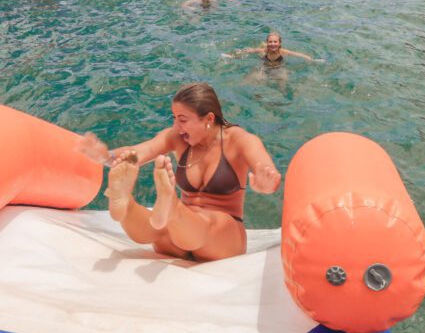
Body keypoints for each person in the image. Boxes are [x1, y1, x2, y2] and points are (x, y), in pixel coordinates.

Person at [83, 82, 281, 261]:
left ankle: (170, 206)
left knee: (203, 223)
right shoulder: (177, 138)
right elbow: (141, 152)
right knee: (158, 228)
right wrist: (107, 156)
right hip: (181, 232)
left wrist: (266, 184)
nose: (176, 127)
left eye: (183, 120)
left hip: (222, 236)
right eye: (174, 118)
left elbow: (267, 171)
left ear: (209, 119)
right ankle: (125, 203)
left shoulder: (240, 140)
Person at [224, 31, 317, 66]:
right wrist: (231, 56)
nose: (273, 44)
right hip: (265, 63)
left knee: (283, 80)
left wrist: (310, 59)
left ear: (280, 43)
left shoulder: (283, 51)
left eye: (275, 42)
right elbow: (248, 51)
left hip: (278, 64)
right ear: (267, 43)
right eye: (270, 42)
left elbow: (297, 54)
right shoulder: (263, 50)